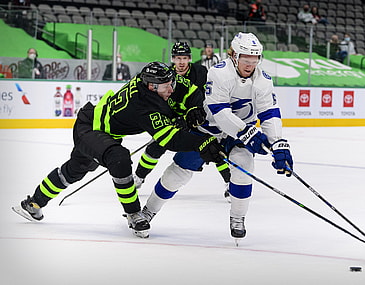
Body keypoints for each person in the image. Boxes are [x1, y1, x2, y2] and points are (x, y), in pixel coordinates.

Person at [12, 61, 225, 238]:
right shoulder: (143, 106)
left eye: (172, 82)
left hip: (104, 130)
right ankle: (134, 215)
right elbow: (169, 139)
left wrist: (194, 108)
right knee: (119, 158)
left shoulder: (156, 83)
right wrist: (200, 142)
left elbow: (187, 90)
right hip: (90, 129)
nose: (171, 88)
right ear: (151, 87)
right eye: (166, 86)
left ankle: (33, 203)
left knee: (74, 170)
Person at [138, 32, 294, 241]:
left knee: (244, 166)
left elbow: (270, 112)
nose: (250, 64)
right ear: (234, 56)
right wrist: (246, 132)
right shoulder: (219, 73)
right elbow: (219, 112)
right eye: (246, 58)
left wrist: (278, 143)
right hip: (208, 130)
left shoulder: (263, 80)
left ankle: (238, 217)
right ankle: (149, 210)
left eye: (254, 59)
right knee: (178, 173)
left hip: (238, 134)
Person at [133, 42, 231, 199]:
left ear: (190, 59)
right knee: (155, 147)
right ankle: (138, 177)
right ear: (172, 59)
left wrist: (188, 118)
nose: (181, 62)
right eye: (178, 58)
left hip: (198, 120)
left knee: (212, 147)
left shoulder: (201, 72)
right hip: (173, 119)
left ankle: (230, 182)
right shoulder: (165, 74)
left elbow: (206, 98)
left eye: (184, 58)